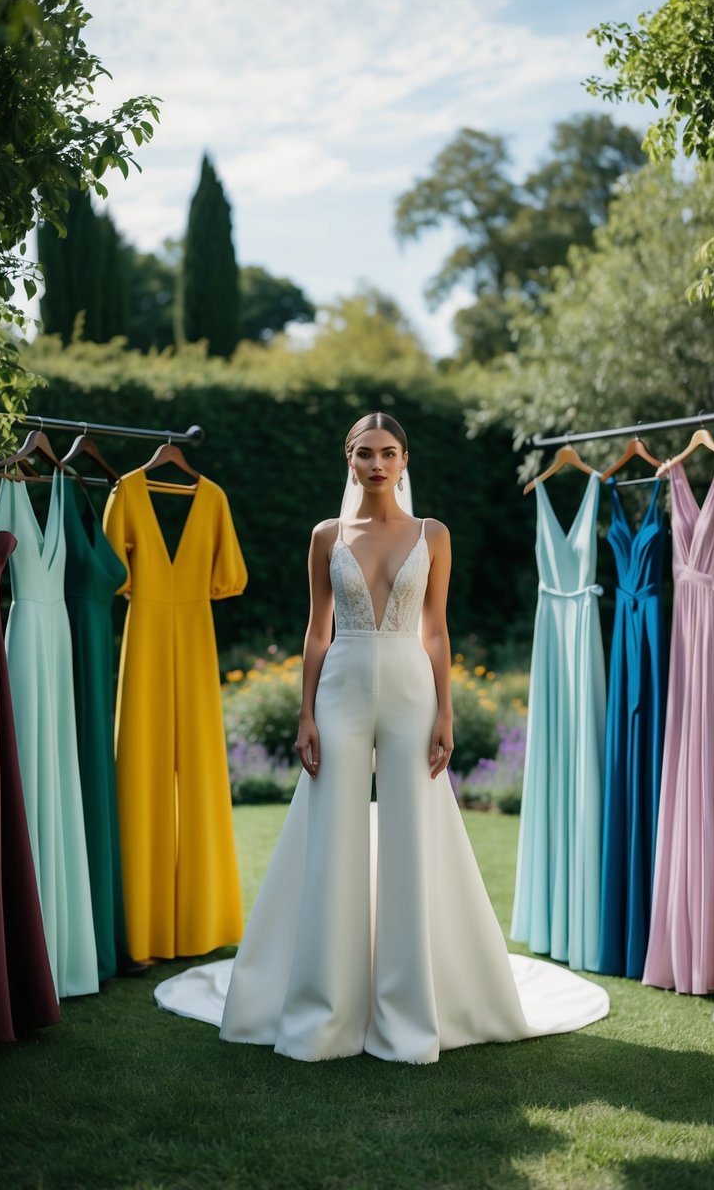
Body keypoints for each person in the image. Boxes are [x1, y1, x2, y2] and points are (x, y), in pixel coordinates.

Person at [155, 412, 609, 1063]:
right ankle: (323, 1009)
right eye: (364, 453)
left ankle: (409, 1007)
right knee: (331, 835)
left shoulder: (432, 534)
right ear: (349, 459)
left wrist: (445, 712)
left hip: (410, 694)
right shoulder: (326, 535)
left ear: (404, 461)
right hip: (340, 690)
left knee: (410, 838)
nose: (375, 463)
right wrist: (305, 713)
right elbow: (316, 631)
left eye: (387, 452)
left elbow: (435, 630)